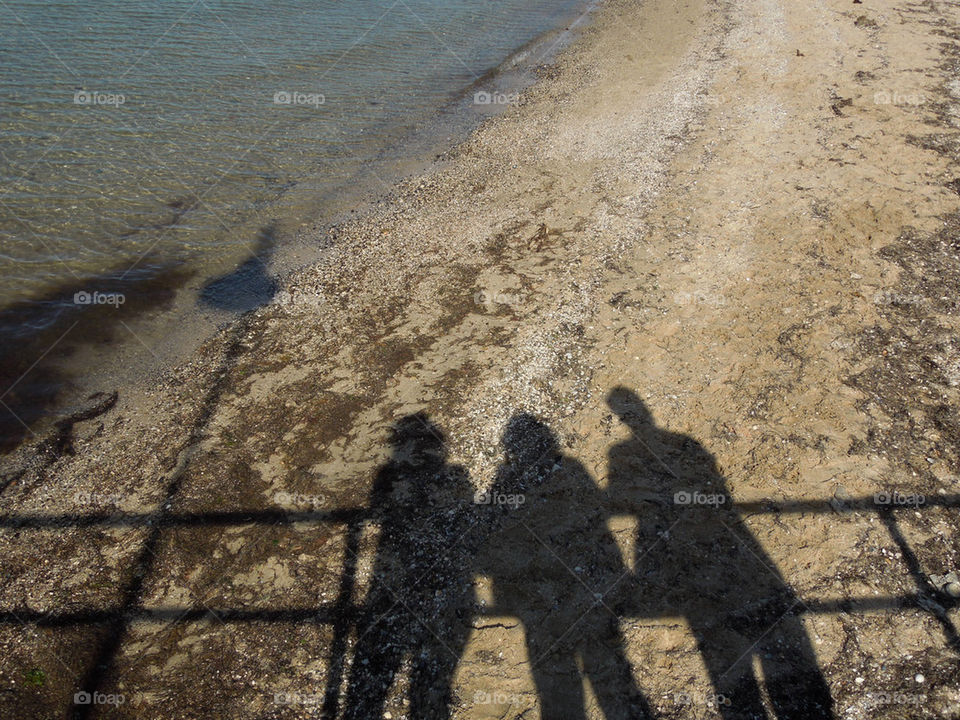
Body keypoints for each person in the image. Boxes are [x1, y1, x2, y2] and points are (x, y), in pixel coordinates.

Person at [606, 387, 834, 719]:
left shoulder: (623, 451)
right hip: (720, 545)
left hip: (686, 548)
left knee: (722, 647)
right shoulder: (676, 444)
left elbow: (617, 498)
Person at [479, 412, 651, 719]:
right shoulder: (570, 468)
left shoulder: (513, 478)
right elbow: (599, 516)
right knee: (610, 671)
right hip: (580, 591)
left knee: (559, 679)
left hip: (547, 602)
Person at [342, 413, 480, 719]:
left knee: (378, 666)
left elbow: (377, 511)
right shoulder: (454, 475)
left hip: (397, 576)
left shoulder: (390, 476)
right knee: (430, 669)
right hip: (426, 578)